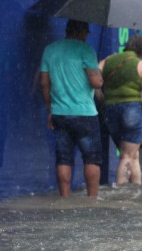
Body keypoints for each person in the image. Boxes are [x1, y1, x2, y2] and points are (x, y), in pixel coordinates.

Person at [40, 19, 103, 197]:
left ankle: (65, 198)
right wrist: (99, 73)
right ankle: (92, 199)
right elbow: (96, 82)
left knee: (63, 158)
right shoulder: (86, 50)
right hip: (85, 114)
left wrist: (50, 108)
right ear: (82, 32)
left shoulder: (50, 50)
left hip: (60, 113)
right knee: (91, 157)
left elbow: (44, 84)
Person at [98, 34, 142, 185]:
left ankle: (136, 191)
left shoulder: (108, 61)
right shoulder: (141, 65)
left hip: (110, 112)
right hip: (132, 110)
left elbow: (95, 84)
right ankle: (122, 196)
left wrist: (104, 100)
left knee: (132, 155)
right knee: (127, 157)